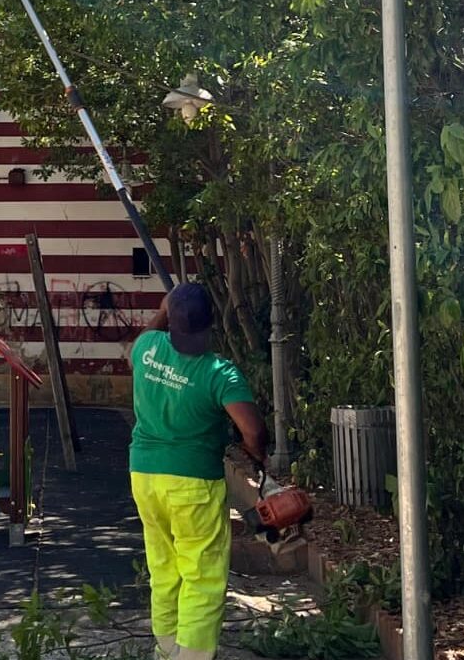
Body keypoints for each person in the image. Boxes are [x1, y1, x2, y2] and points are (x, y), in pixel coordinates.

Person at [129, 283, 268, 660]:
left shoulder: (146, 350)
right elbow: (252, 431)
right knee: (202, 573)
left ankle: (167, 649)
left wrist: (164, 306)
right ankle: (190, 656)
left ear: (169, 320)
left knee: (163, 566)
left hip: (144, 475)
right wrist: (257, 456)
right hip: (193, 482)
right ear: (211, 325)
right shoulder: (218, 373)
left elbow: (144, 337)